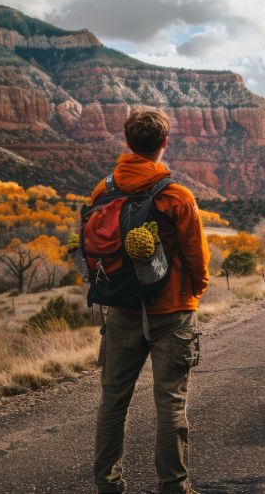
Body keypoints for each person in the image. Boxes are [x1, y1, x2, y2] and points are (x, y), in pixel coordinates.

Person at [91, 108, 210, 494]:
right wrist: (193, 292)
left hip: (120, 311)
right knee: (170, 404)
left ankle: (108, 485)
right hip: (172, 312)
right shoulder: (176, 195)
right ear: (164, 143)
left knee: (113, 402)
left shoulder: (103, 190)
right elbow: (198, 258)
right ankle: (173, 486)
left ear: (127, 143)